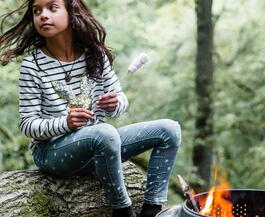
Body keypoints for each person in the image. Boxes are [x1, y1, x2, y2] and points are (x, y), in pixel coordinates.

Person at [0, 0, 181, 216]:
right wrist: (65, 123)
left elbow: (120, 100)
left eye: (52, 7)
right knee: (104, 133)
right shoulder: (32, 66)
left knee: (169, 130)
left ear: (71, 12)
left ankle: (152, 209)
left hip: (100, 146)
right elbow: (28, 125)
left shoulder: (95, 55)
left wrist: (115, 103)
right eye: (36, 11)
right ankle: (122, 210)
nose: (43, 15)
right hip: (52, 153)